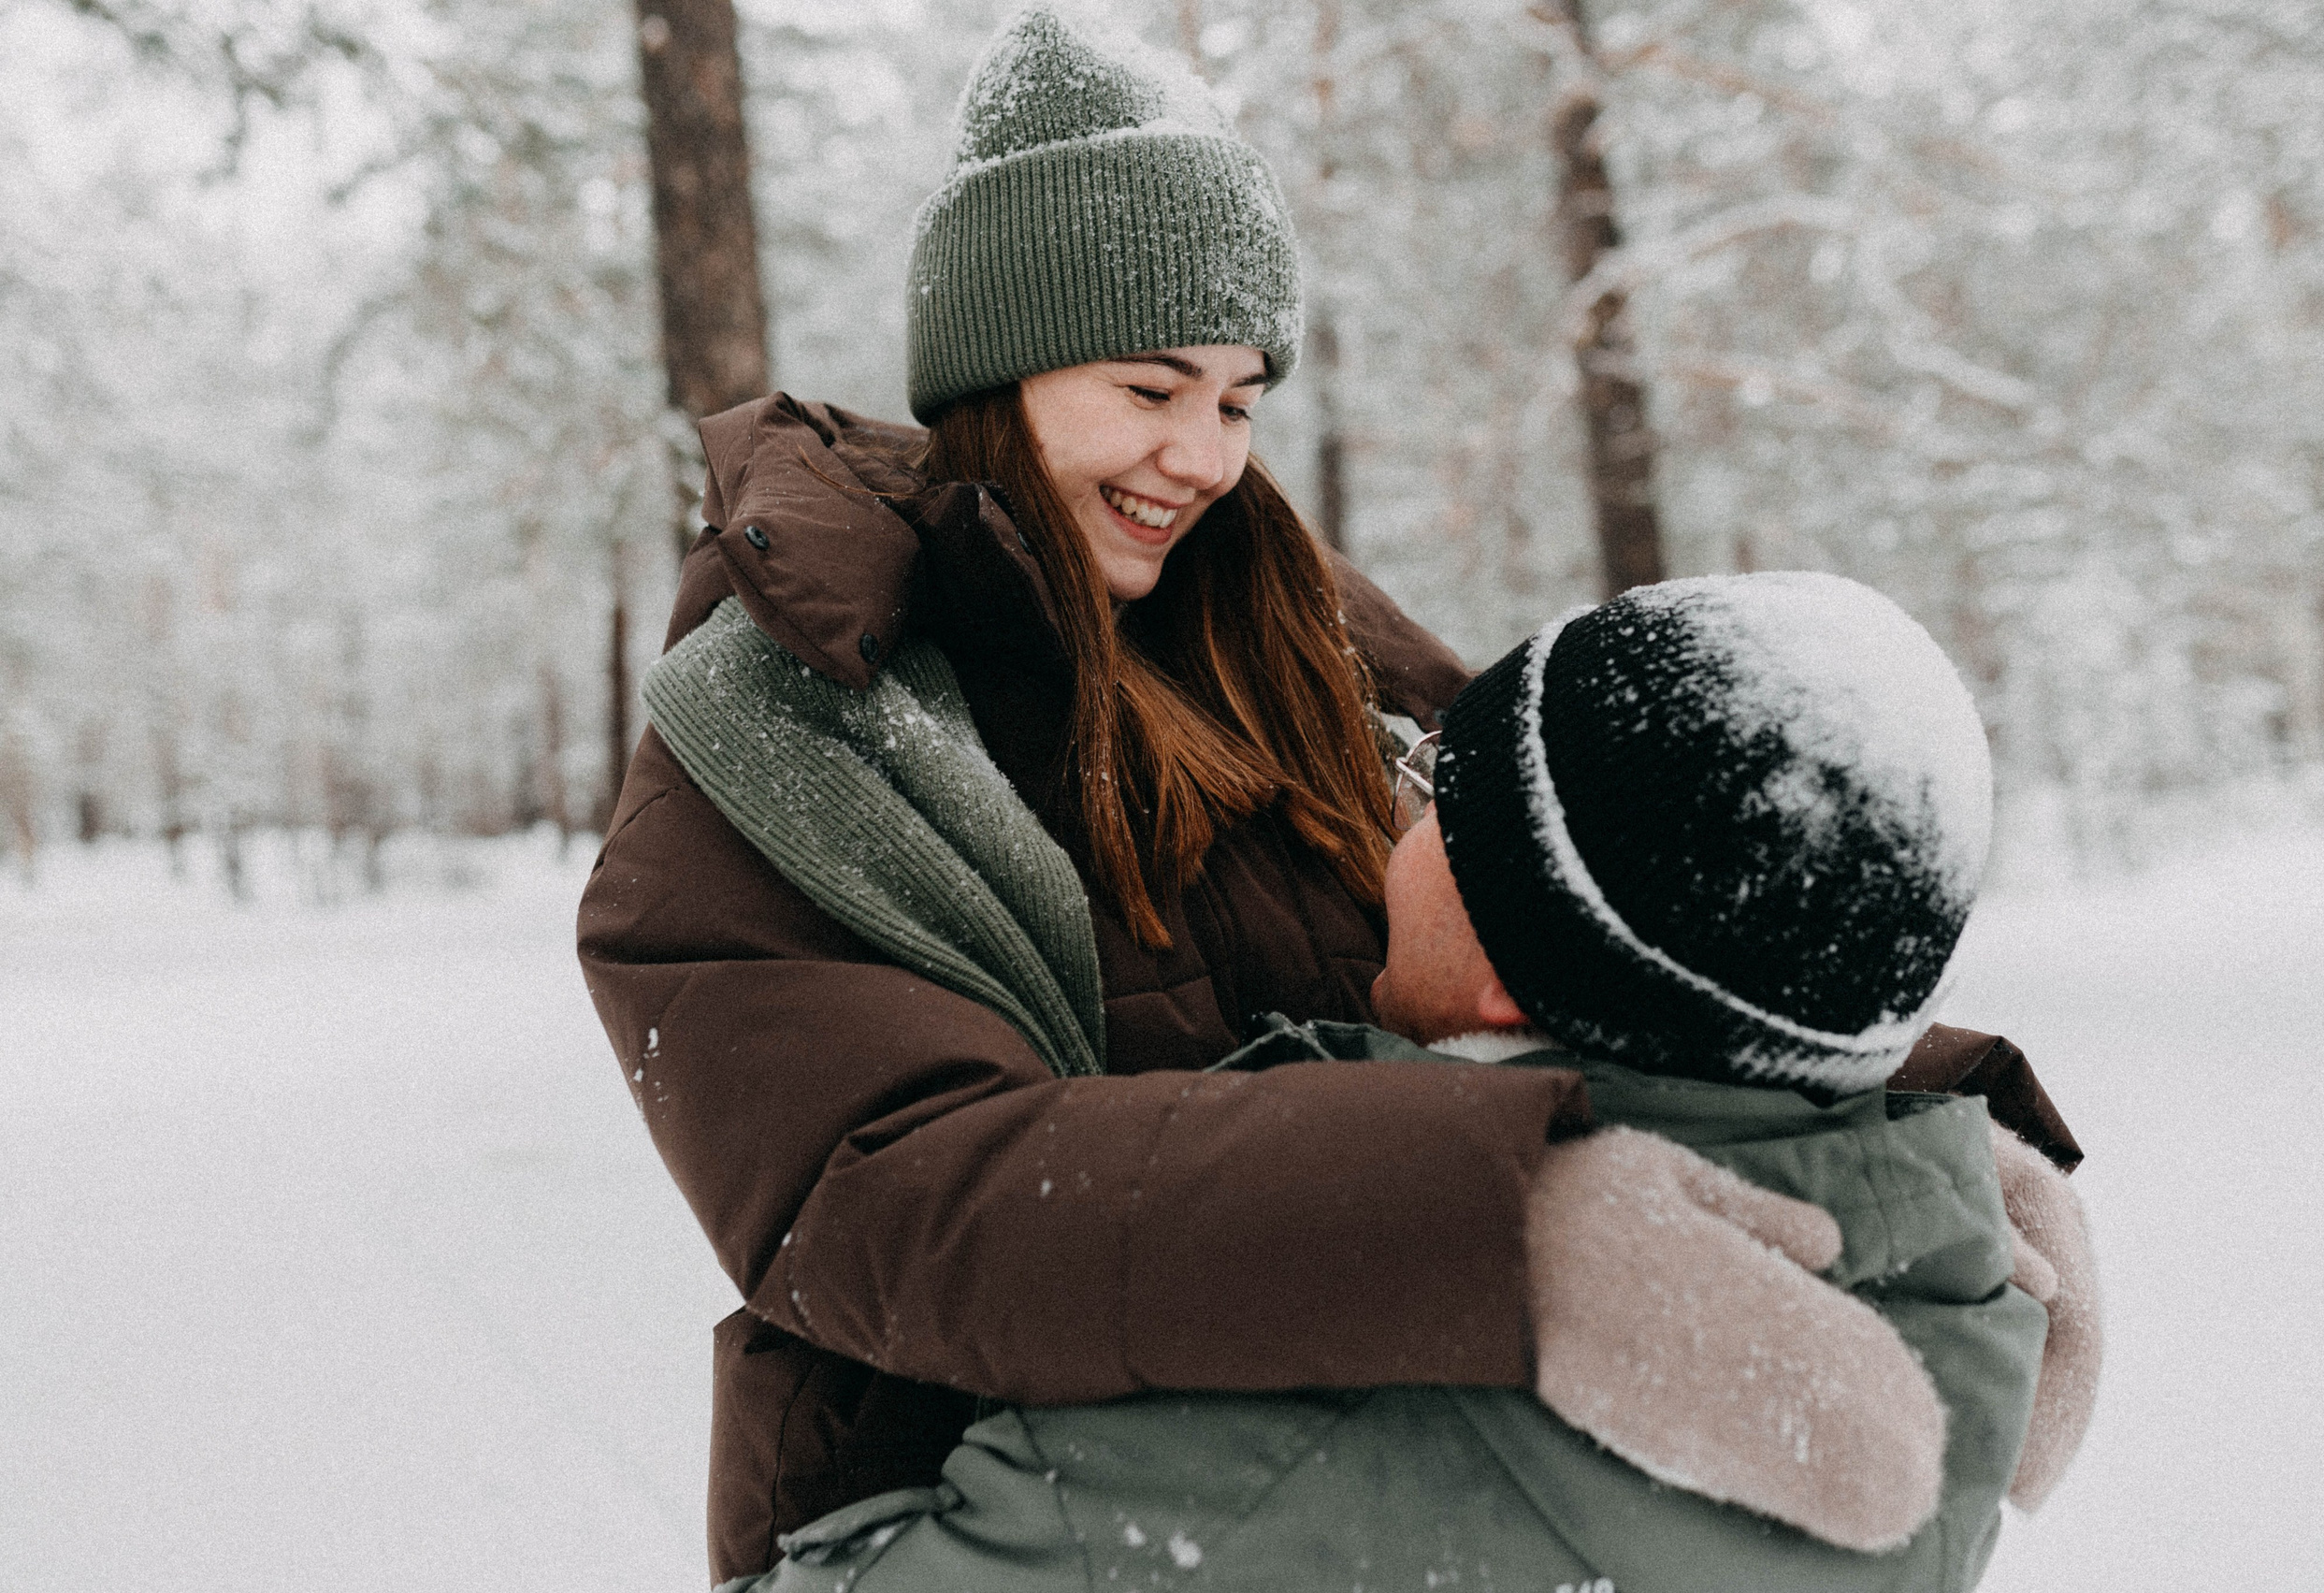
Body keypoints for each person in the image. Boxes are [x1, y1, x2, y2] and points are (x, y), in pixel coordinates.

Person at [575, 7, 2082, 1584]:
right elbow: (886, 1205)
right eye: (1150, 388)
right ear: (996, 373)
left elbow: (1554, 920)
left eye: (1238, 402)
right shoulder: (794, 713)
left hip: (1361, 1468)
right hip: (993, 1521)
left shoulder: (1296, 635)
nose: (1203, 457)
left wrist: (1921, 1128)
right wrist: (1497, 1230)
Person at [715, 573, 2101, 1593]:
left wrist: (853, 1257)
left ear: (1508, 971)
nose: (1392, 820)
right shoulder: (1952, 1315)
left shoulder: (1292, 1444)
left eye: (1439, 796)